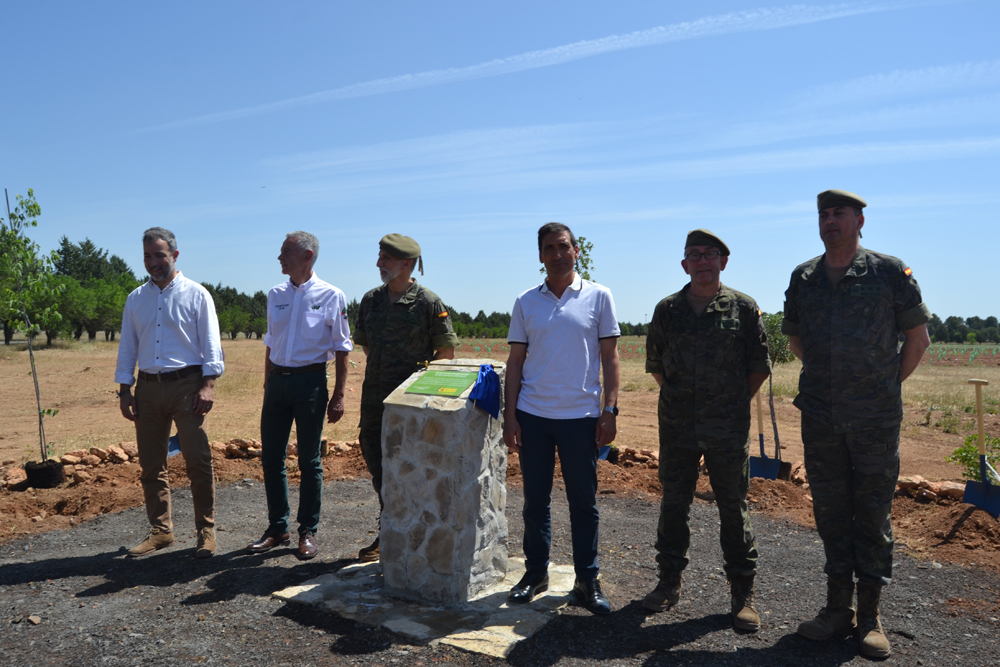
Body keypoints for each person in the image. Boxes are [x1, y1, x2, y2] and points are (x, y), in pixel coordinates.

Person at [784, 190, 931, 658]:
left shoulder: (889, 272)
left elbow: (918, 339)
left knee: (871, 515)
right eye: (824, 215)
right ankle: (835, 611)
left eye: (839, 214)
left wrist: (882, 385)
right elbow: (795, 338)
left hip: (874, 420)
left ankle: (869, 618)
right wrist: (832, 381)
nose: (830, 221)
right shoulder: (804, 277)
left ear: (859, 220)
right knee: (829, 513)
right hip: (822, 418)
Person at [642, 229, 771, 630]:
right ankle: (668, 583)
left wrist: (728, 404)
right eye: (694, 255)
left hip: (727, 429)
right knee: (674, 503)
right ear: (684, 264)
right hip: (678, 426)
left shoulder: (745, 309)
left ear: (723, 262)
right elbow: (657, 367)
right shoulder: (667, 310)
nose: (702, 261)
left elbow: (758, 367)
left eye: (710, 254)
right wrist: (688, 403)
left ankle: (742, 594)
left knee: (733, 507)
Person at [503, 222, 620, 616]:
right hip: (533, 416)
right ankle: (535, 574)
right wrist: (510, 417)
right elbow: (515, 362)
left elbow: (610, 358)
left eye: (564, 246)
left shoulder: (599, 297)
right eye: (549, 248)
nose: (557, 253)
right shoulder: (526, 302)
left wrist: (610, 409)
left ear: (576, 252)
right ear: (540, 256)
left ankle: (588, 581)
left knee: (583, 504)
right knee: (535, 502)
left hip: (581, 418)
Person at [115, 227, 225, 558]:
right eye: (147, 256)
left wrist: (208, 384)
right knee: (151, 464)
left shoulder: (197, 294)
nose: (153, 262)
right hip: (147, 388)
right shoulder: (136, 299)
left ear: (175, 255)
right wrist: (125, 389)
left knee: (197, 459)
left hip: (187, 387)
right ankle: (161, 531)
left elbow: (211, 342)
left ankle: (205, 530)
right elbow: (128, 347)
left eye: (159, 255)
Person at [353, 234, 458, 562]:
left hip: (411, 407)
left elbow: (446, 353)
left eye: (385, 257)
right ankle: (390, 528)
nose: (378, 263)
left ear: (406, 264)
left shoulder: (428, 303)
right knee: (376, 459)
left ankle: (413, 533)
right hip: (374, 402)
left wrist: (421, 394)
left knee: (412, 467)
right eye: (379, 256)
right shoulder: (370, 300)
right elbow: (367, 347)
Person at [247, 232, 352, 560]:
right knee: (271, 457)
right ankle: (277, 527)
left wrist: (338, 395)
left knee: (309, 459)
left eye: (286, 252)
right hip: (278, 383)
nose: (280, 257)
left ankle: (308, 530)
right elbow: (269, 341)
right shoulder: (275, 294)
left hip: (310, 384)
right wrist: (268, 383)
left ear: (307, 256)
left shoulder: (332, 295)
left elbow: (342, 347)